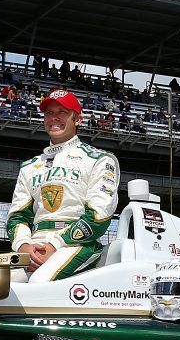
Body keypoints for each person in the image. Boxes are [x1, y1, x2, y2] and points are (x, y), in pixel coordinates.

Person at [7, 89, 119, 283]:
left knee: (39, 282)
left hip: (77, 243)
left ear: (77, 119)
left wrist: (54, 245)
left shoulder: (100, 159)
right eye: (49, 113)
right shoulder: (30, 166)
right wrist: (23, 246)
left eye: (62, 112)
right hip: (33, 244)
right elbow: (17, 216)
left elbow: (98, 216)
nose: (54, 118)